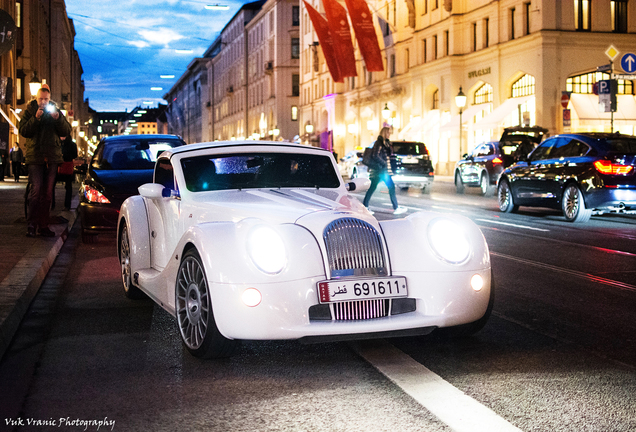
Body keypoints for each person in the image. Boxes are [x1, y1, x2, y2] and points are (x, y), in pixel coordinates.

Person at [18, 85, 72, 237]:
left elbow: (66, 130)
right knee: (35, 192)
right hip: (35, 157)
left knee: (48, 194)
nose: (43, 102)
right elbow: (23, 131)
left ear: (50, 99)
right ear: (36, 98)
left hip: (52, 158)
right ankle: (31, 224)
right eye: (41, 99)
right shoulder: (29, 111)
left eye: (46, 99)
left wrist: (58, 119)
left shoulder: (55, 111)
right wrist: (35, 118)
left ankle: (43, 225)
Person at [362, 126, 406, 215]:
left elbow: (389, 154)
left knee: (372, 188)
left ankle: (365, 206)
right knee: (390, 188)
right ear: (384, 133)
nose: (389, 134)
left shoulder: (385, 143)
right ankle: (396, 207)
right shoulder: (379, 143)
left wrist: (389, 145)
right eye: (388, 133)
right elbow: (375, 155)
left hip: (383, 171)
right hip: (381, 171)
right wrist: (384, 164)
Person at [58, 136, 78, 210]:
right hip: (69, 165)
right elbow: (75, 155)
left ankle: (52, 204)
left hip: (61, 165)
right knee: (69, 187)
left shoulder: (61, 144)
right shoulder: (73, 145)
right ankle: (67, 205)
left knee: (52, 184)